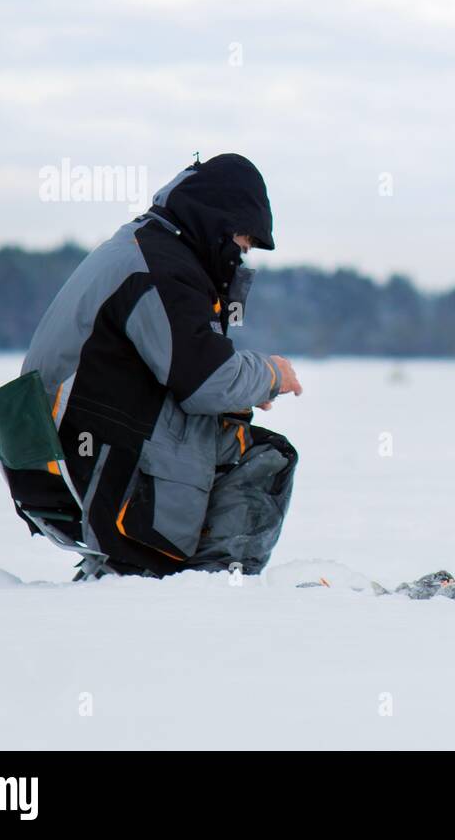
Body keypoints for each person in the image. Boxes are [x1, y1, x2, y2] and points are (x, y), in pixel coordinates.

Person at [21, 154, 303, 577]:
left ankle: (160, 572)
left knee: (230, 429)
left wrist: (239, 394)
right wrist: (270, 376)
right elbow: (206, 382)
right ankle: (211, 584)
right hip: (95, 455)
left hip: (62, 448)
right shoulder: (160, 266)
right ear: (219, 222)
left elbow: (181, 368)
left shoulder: (140, 246)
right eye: (243, 242)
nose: (241, 256)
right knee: (265, 455)